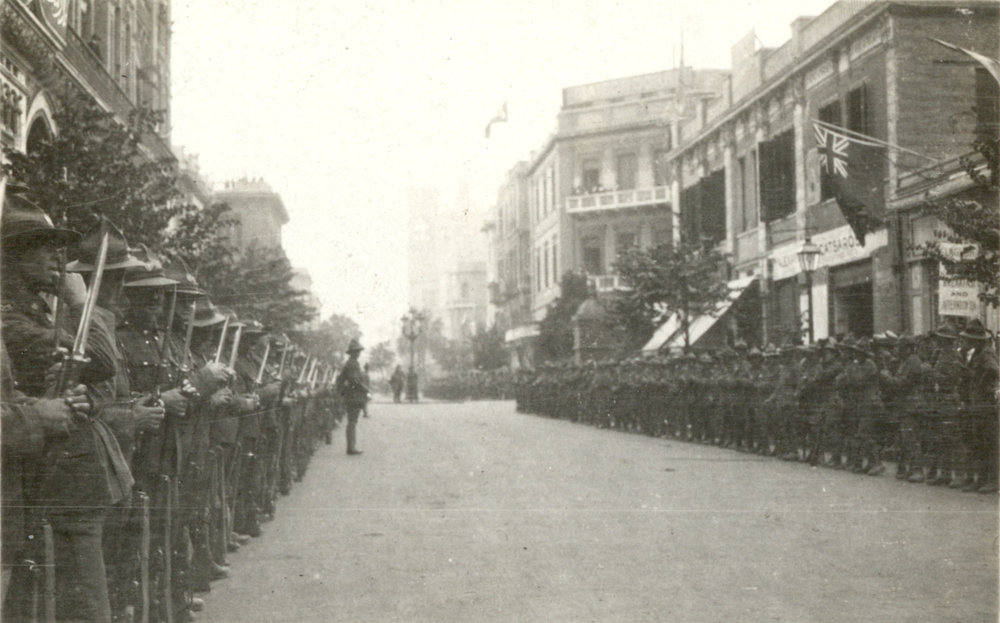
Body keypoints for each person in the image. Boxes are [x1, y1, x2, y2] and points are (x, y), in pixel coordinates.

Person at [336, 339, 368, 455]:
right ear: (352, 352)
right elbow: (354, 380)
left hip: (351, 395)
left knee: (352, 421)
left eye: (358, 351)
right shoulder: (353, 364)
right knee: (352, 421)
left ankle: (351, 446)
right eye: (357, 351)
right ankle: (351, 447)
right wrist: (365, 388)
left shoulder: (351, 363)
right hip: (353, 396)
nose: (358, 353)